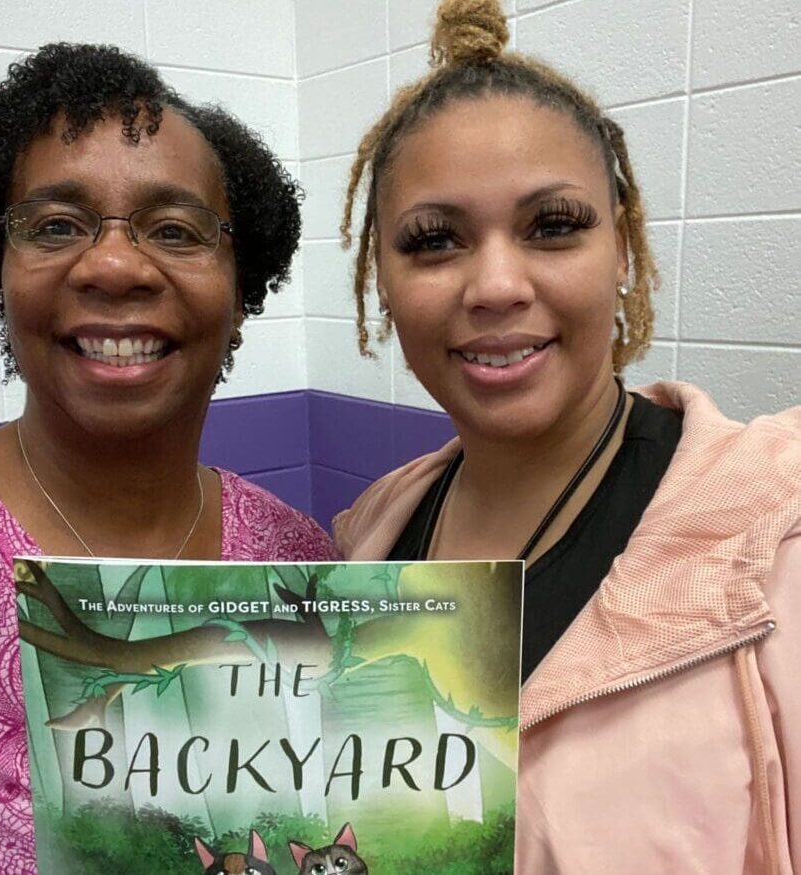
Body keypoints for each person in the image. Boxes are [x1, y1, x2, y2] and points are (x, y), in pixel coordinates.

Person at [333, 1, 801, 871]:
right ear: (381, 282)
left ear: (621, 249)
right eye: (434, 241)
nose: (496, 284)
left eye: (552, 226)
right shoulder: (370, 533)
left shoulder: (774, 538)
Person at [0, 43, 337, 871]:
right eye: (55, 226)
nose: (113, 264)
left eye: (176, 230)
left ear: (239, 288)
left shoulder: (301, 560)